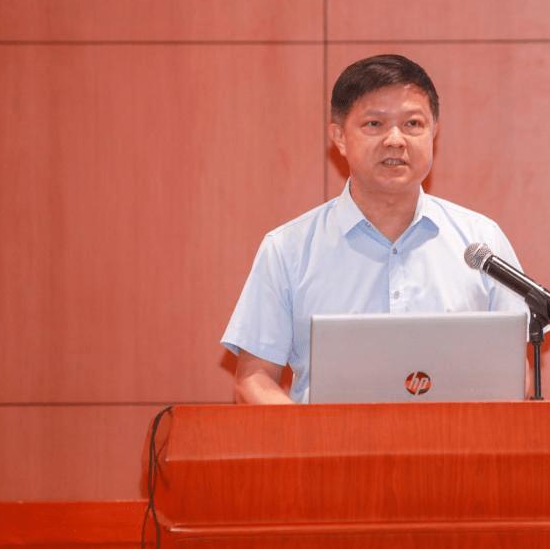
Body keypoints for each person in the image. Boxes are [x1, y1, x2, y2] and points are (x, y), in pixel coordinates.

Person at [221, 54, 527, 404]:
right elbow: (254, 379)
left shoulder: (482, 242)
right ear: (339, 137)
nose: (395, 139)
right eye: (374, 124)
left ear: (434, 132)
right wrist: (309, 436)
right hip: (330, 441)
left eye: (413, 124)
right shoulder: (287, 249)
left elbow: (515, 374)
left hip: (457, 440)